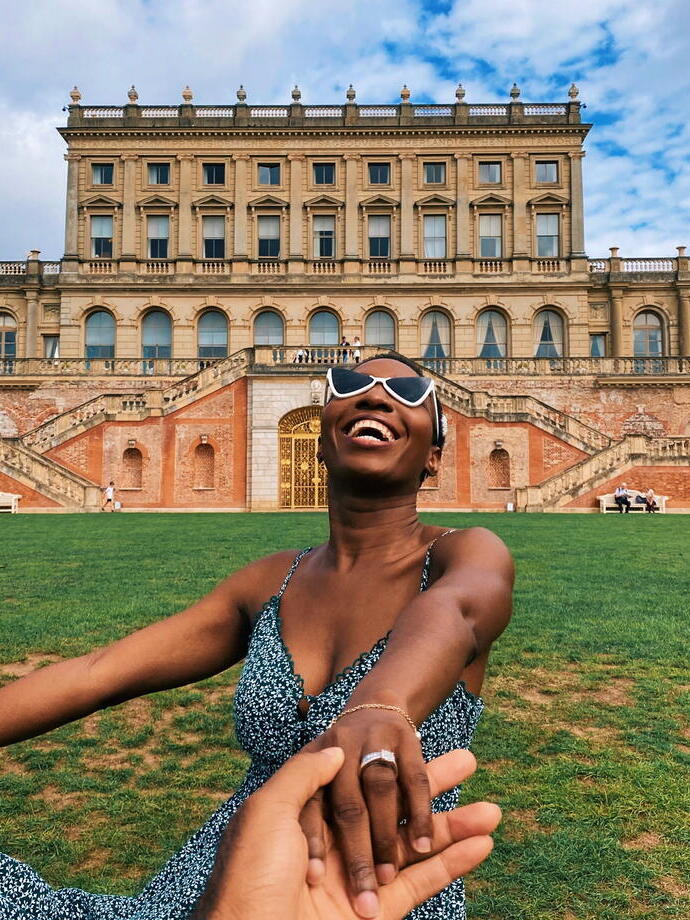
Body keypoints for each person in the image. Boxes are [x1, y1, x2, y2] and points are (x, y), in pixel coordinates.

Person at [0, 353, 514, 920]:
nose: (373, 395)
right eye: (349, 384)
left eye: (410, 391)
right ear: (319, 441)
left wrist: (381, 703)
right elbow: (98, 675)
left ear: (434, 458)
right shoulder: (272, 580)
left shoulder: (462, 554)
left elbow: (458, 611)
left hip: (368, 892)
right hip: (224, 878)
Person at [193, 746, 501, 920]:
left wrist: (376, 714)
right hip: (245, 851)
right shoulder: (260, 626)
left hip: (404, 860)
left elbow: (445, 637)